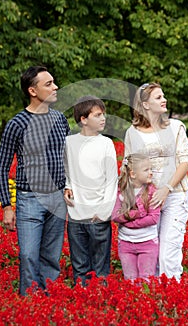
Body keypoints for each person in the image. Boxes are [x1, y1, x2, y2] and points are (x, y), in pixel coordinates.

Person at [0, 66, 70, 295]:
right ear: (32, 90)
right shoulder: (17, 124)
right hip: (30, 199)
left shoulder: (60, 119)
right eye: (48, 84)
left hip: (58, 198)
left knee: (51, 255)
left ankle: (48, 301)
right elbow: (2, 167)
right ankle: (29, 300)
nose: (55, 87)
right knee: (28, 254)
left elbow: (68, 158)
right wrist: (7, 206)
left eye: (54, 82)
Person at [124, 82, 188, 281]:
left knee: (168, 254)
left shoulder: (176, 126)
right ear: (145, 104)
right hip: (145, 199)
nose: (164, 100)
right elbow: (128, 165)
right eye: (158, 97)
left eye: (163, 96)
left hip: (175, 195)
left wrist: (167, 189)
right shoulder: (132, 132)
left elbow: (185, 161)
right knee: (150, 253)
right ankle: (154, 301)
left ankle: (173, 295)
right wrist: (127, 200)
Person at [64, 95, 118, 286]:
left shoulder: (106, 144)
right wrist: (67, 186)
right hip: (76, 214)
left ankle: (100, 304)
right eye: (97, 115)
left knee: (101, 267)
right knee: (80, 266)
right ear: (83, 119)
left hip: (98, 215)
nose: (103, 118)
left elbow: (112, 180)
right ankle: (82, 304)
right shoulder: (69, 143)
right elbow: (66, 171)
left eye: (103, 114)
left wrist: (104, 212)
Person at [111, 153, 160, 282]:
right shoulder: (121, 192)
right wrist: (136, 214)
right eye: (146, 170)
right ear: (133, 174)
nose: (151, 173)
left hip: (148, 243)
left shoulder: (152, 192)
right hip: (126, 244)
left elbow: (153, 218)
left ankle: (146, 301)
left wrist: (130, 222)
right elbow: (115, 215)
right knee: (130, 279)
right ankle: (132, 302)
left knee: (147, 279)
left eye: (151, 169)